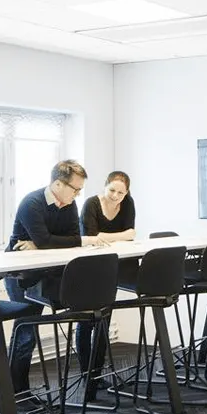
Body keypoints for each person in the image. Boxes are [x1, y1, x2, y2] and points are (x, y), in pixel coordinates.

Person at [4, 160, 98, 406]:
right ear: (58, 184)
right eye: (75, 189)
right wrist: (44, 242)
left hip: (47, 274)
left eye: (80, 190)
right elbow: (52, 240)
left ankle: (90, 379)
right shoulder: (31, 203)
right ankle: (17, 395)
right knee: (26, 333)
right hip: (21, 275)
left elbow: (74, 238)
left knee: (82, 314)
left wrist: (40, 243)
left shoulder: (69, 204)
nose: (78, 194)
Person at [79, 170, 136, 398]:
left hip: (112, 265)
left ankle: (97, 374)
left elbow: (132, 233)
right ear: (104, 186)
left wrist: (106, 236)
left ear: (127, 193)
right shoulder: (91, 205)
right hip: (88, 266)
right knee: (86, 322)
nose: (115, 196)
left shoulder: (128, 203)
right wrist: (119, 235)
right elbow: (91, 238)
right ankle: (86, 375)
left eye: (121, 193)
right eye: (112, 190)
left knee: (104, 319)